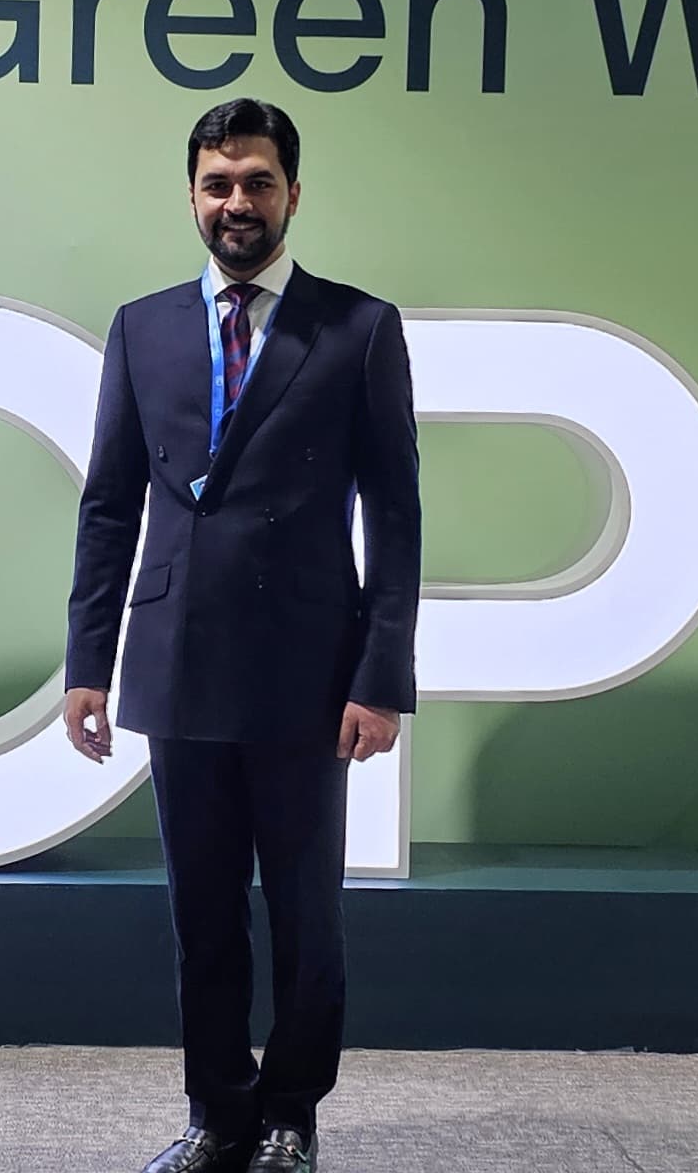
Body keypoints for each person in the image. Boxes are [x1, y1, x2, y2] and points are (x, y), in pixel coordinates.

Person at [62, 97, 422, 1173]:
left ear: (292, 196)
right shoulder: (143, 327)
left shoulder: (356, 328)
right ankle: (216, 1115)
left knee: (307, 918)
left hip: (308, 675)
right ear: (191, 195)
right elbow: (109, 505)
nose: (237, 203)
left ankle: (289, 1118)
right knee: (202, 916)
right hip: (175, 662)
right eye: (218, 184)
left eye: (257, 182)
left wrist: (383, 676)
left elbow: (394, 514)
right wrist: (89, 664)